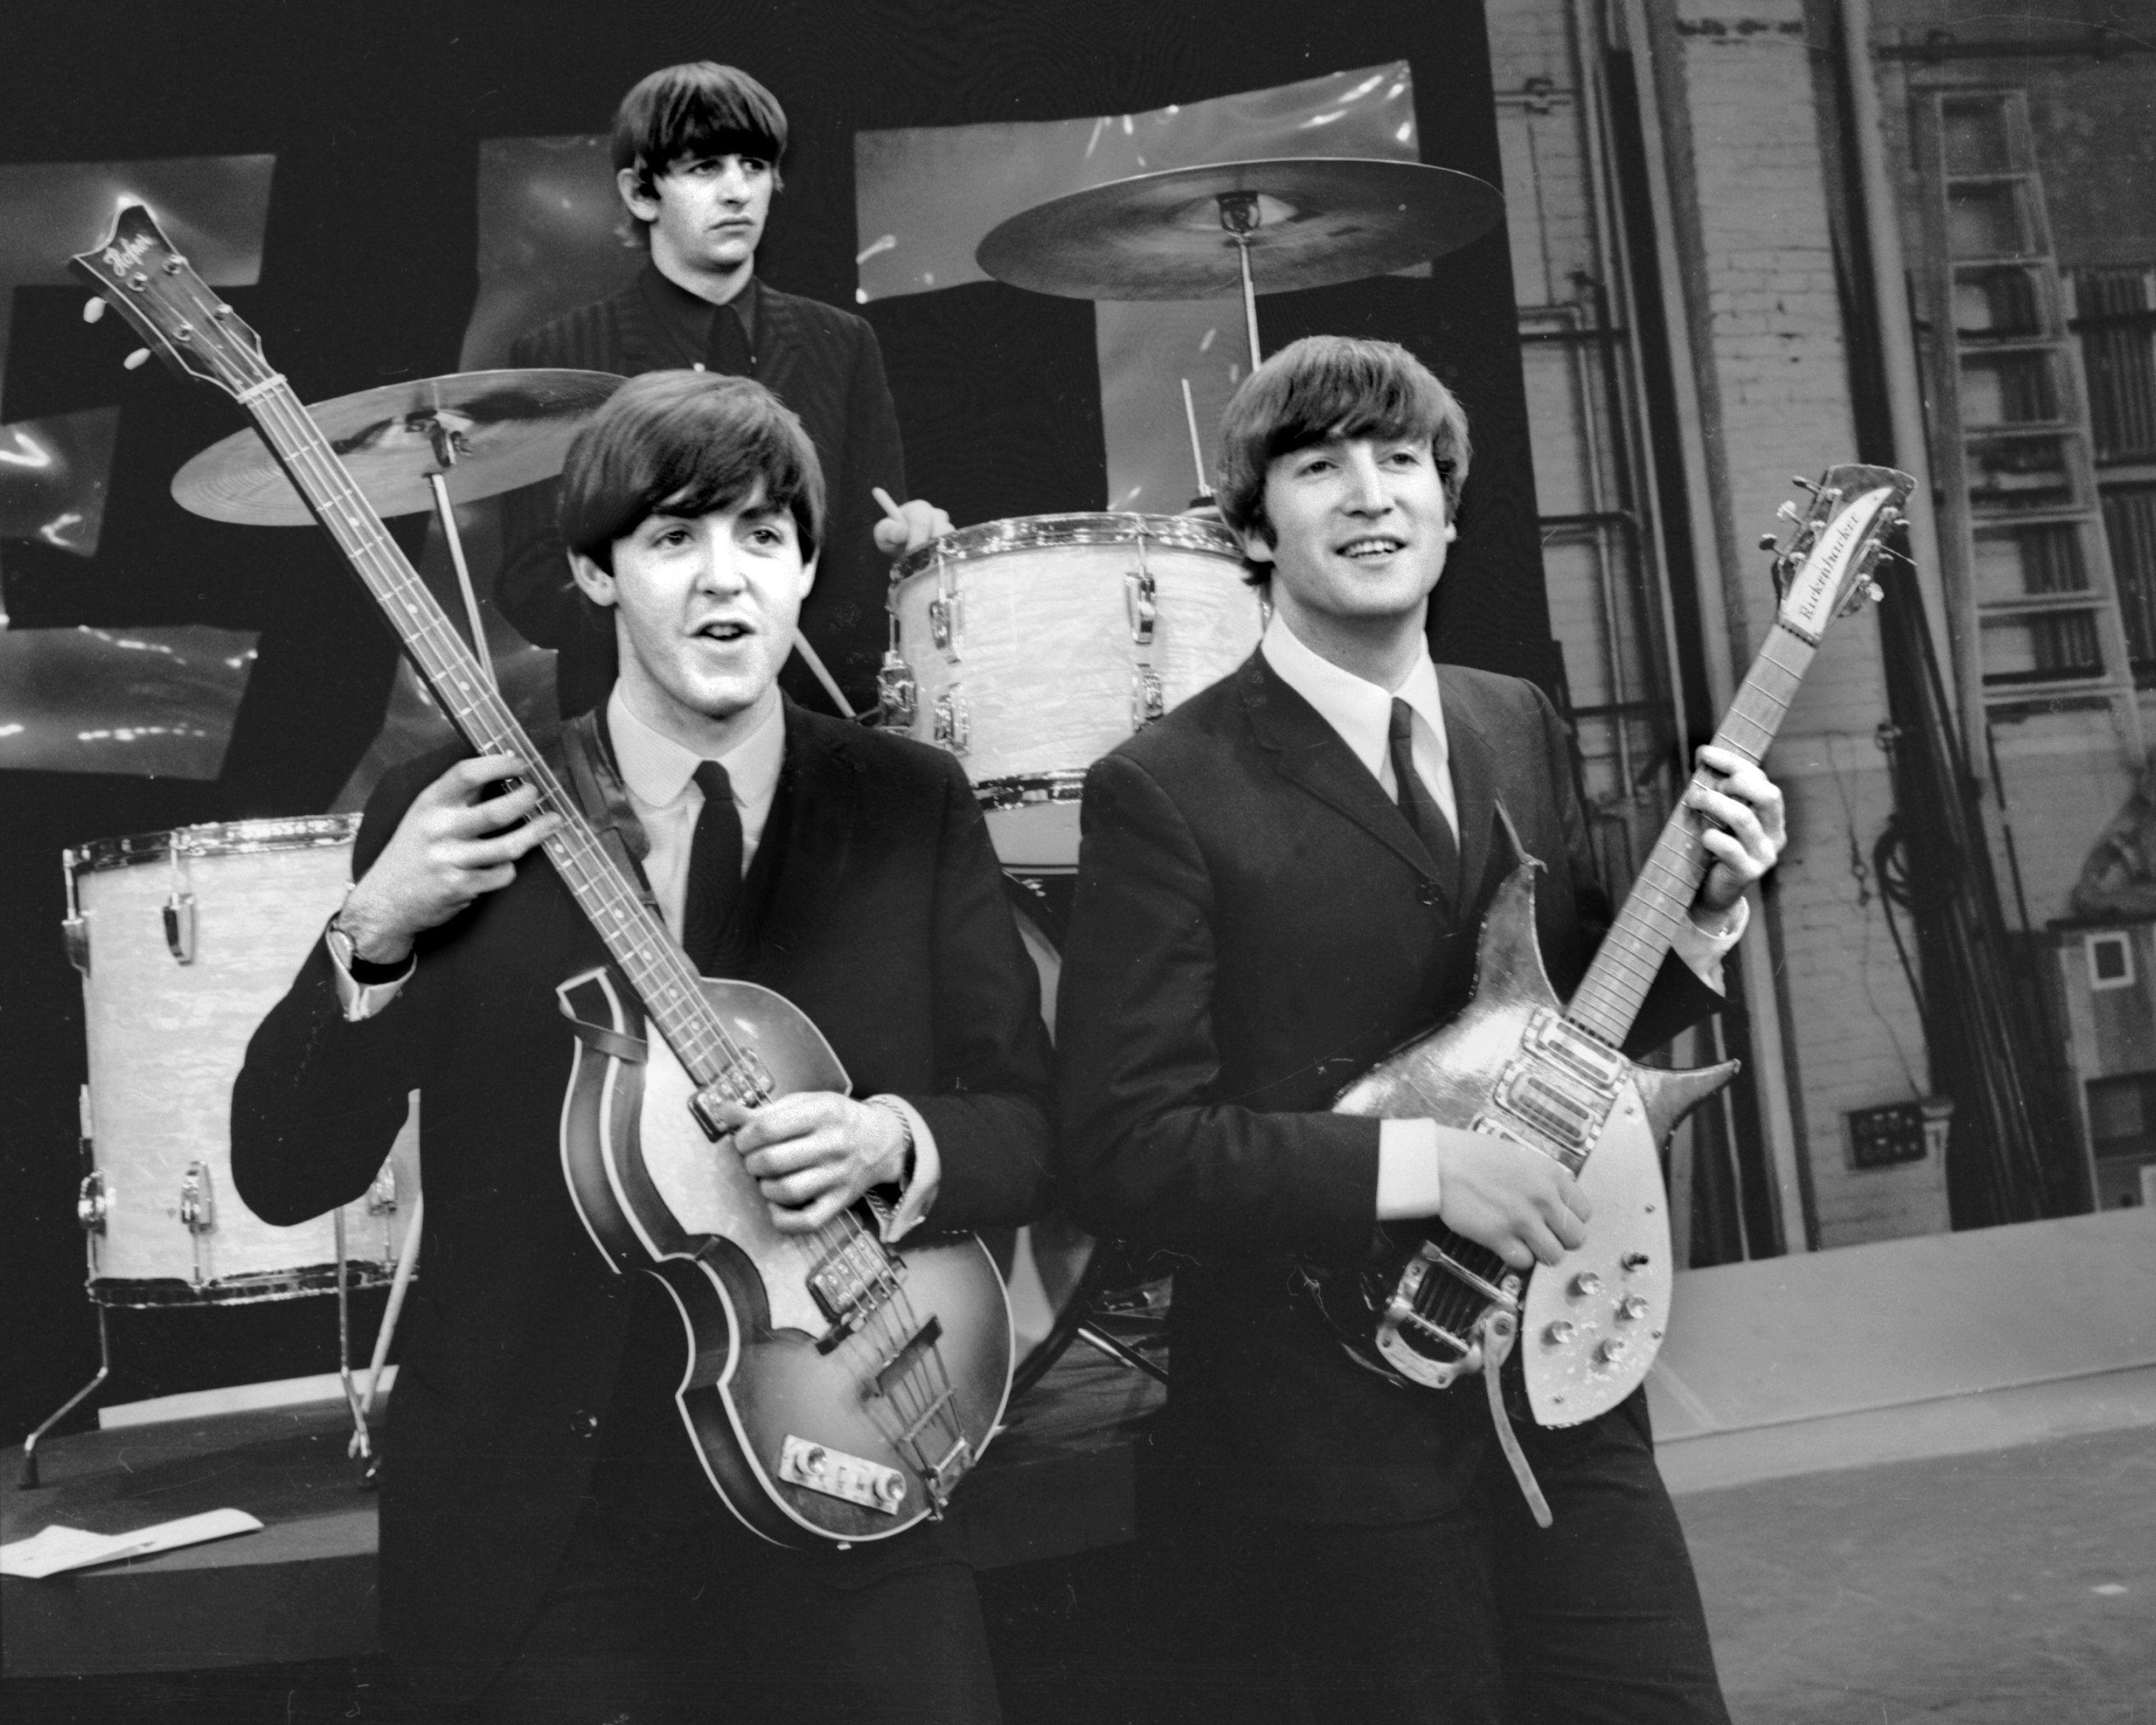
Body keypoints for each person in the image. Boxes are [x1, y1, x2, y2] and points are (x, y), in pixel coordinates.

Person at [234, 370, 1050, 1724]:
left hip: (846, 1461)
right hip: (547, 1533)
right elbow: (282, 1171)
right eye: (675, 537)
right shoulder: (459, 813)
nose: (725, 578)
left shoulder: (910, 803)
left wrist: (893, 1140)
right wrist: (375, 927)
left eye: (763, 537)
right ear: (594, 572)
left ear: (806, 571)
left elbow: (1032, 1123)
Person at [1054, 336, 1787, 1723]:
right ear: (1251, 531)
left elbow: (1569, 1034)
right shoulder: (1161, 788)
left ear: (1449, 510)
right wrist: (1428, 1169)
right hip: (1325, 1445)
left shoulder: (1517, 721)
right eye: (1317, 467)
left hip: (1564, 1382)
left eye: (1402, 460)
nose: (1370, 493)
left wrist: (1708, 912)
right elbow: (1122, 1147)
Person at [495, 60, 948, 720]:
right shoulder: (558, 355)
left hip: (822, 721)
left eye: (754, 165)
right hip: (639, 724)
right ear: (641, 192)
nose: (738, 191)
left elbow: (864, 543)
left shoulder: (843, 341)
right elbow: (533, 583)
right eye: (705, 168)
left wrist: (900, 547)